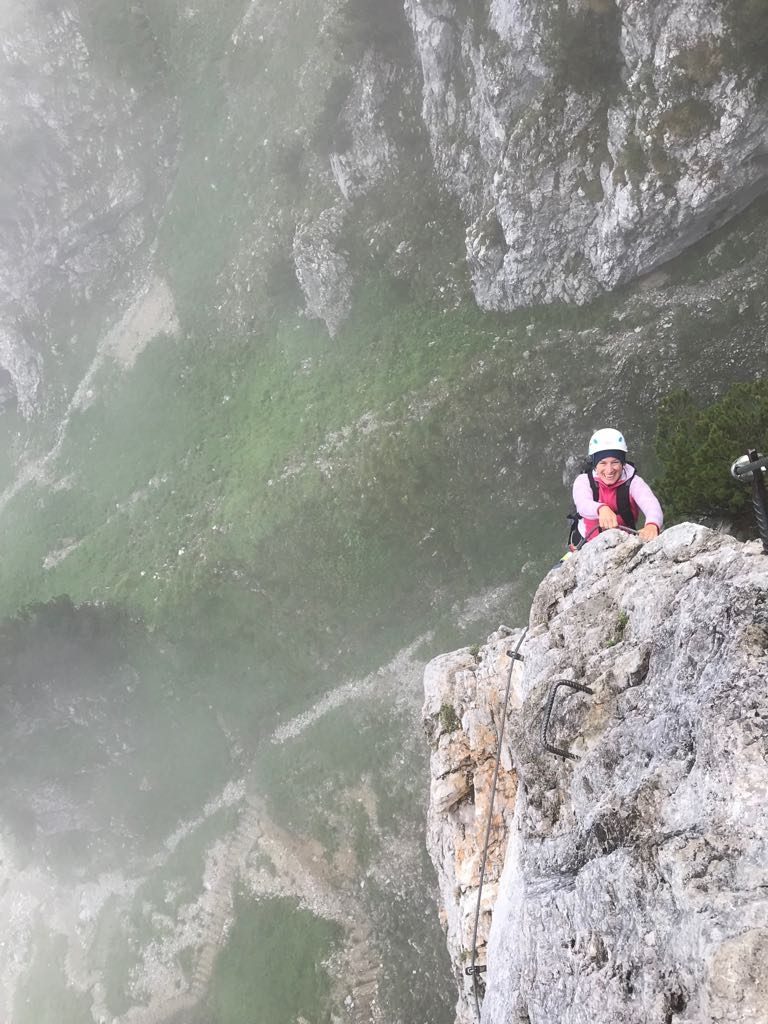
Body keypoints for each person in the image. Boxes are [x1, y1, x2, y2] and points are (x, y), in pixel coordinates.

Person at [573, 428, 663, 543]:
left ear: (623, 463)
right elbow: (582, 504)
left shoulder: (634, 483)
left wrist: (652, 524)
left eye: (615, 462)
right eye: (603, 463)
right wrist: (601, 508)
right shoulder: (584, 481)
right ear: (595, 465)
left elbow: (651, 504)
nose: (609, 470)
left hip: (623, 542)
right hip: (586, 541)